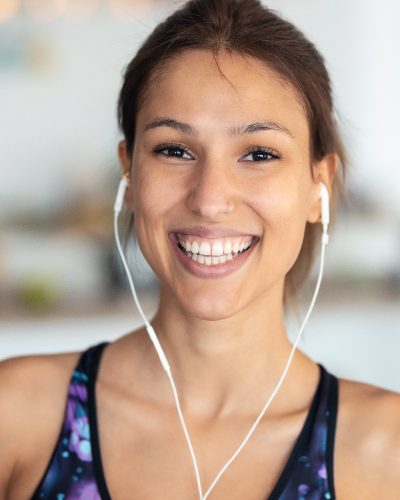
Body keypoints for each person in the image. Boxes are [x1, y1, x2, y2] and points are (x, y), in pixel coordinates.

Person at [1, 0, 400, 498]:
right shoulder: (15, 415)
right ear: (129, 172)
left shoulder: (388, 450)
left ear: (318, 186)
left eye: (259, 154)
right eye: (174, 150)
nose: (210, 200)